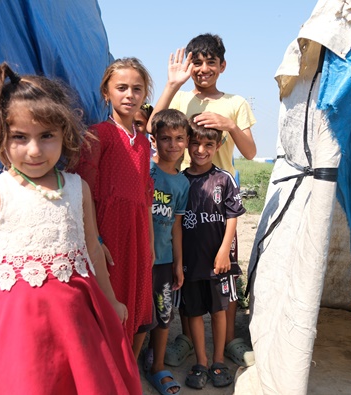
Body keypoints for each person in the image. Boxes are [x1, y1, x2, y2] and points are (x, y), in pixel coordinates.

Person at [0, 63, 141, 394]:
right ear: (1, 136)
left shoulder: (78, 189)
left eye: (47, 136)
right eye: (20, 137)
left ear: (65, 134)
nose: (34, 150)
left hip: (74, 323)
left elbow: (92, 249)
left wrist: (110, 300)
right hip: (13, 328)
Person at [150, 33, 256, 368]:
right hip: (183, 195)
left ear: (222, 66)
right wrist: (170, 85)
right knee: (187, 270)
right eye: (197, 61)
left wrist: (230, 125)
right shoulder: (180, 99)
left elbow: (251, 151)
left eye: (211, 62)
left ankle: (227, 343)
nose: (204, 68)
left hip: (220, 199)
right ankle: (185, 337)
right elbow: (153, 125)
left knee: (225, 269)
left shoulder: (235, 103)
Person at [75, 57, 155, 359]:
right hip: (106, 234)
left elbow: (145, 196)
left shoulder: (144, 143)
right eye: (121, 87)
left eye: (137, 88)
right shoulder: (97, 135)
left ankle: (125, 371)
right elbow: (84, 194)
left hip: (135, 235)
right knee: (108, 306)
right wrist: (95, 240)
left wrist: (148, 243)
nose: (129, 95)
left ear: (144, 95)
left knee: (133, 306)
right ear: (106, 93)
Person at [179, 117, 245, 389]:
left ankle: (218, 360)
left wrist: (224, 255)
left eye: (208, 144)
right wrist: (178, 261)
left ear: (218, 145)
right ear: (187, 145)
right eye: (195, 143)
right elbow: (175, 225)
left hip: (219, 263)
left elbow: (232, 218)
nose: (201, 150)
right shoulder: (180, 181)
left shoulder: (224, 179)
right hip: (190, 263)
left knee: (219, 311)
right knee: (193, 312)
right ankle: (201, 362)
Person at [144, 109, 190, 395]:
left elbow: (176, 226)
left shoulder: (182, 183)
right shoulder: (145, 170)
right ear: (155, 140)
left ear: (186, 141)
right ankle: (126, 362)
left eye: (179, 138)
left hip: (163, 261)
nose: (172, 145)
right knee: (136, 315)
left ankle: (157, 365)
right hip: (138, 257)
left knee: (163, 314)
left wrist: (178, 263)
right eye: (165, 138)